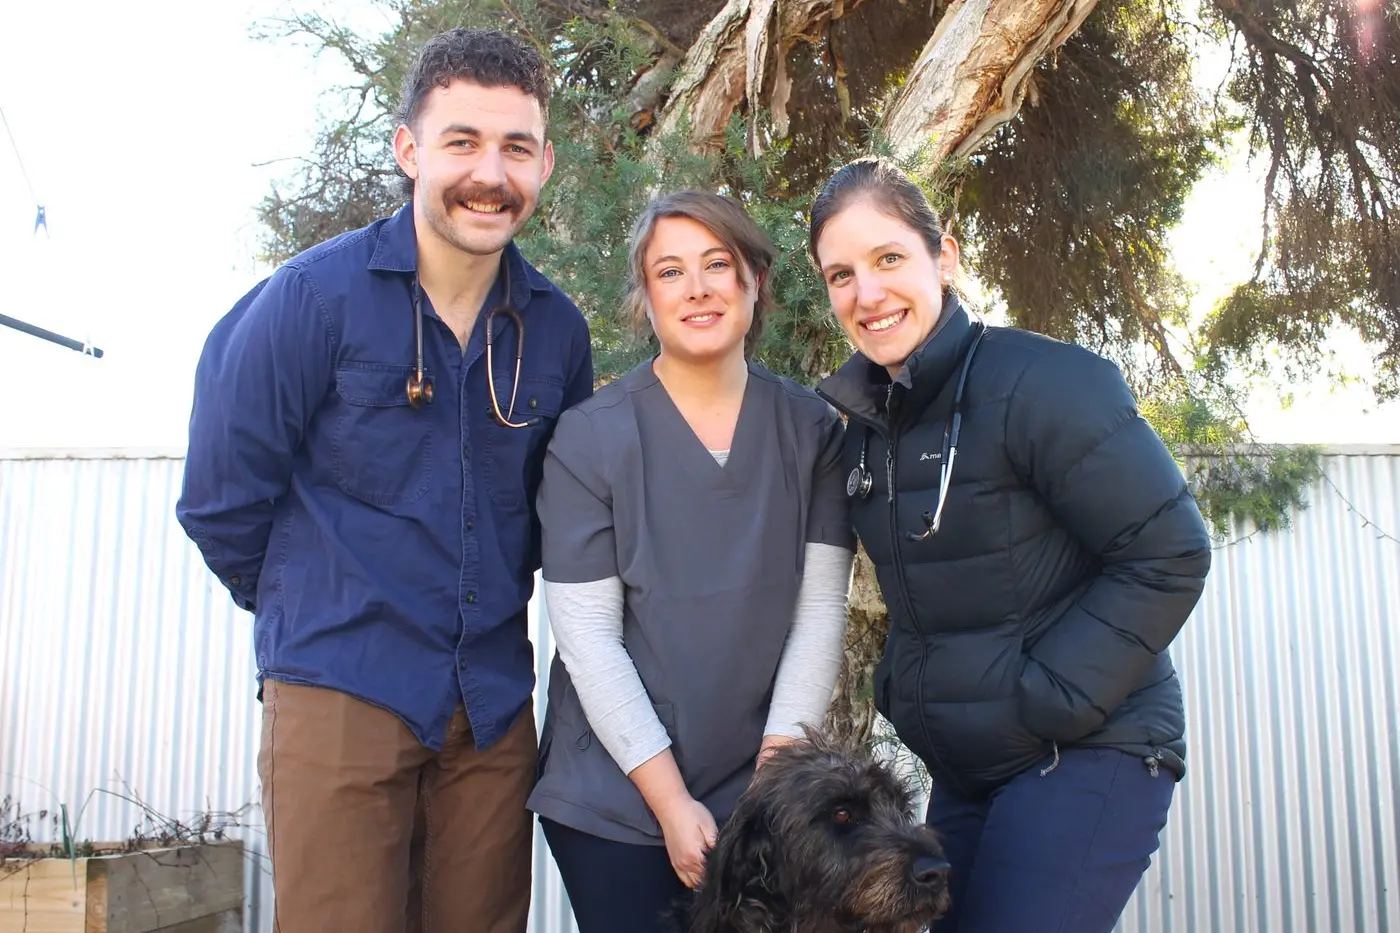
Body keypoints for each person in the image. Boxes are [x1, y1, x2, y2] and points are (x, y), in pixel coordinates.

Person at [175, 27, 593, 933]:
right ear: (409, 150)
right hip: (338, 691)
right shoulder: (312, 299)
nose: (491, 173)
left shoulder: (556, 331)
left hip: (488, 710)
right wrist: (318, 610)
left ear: (545, 163)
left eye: (516, 147)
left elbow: (565, 515)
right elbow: (218, 498)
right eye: (462, 142)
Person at [806, 156, 1213, 933]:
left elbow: (1168, 550)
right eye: (840, 275)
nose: (867, 293)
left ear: (944, 256)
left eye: (889, 258)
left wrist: (1046, 699)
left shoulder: (1045, 383)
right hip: (968, 768)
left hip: (1087, 750)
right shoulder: (862, 428)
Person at [526, 190, 857, 933]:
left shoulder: (812, 431)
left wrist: (771, 792)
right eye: (670, 272)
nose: (698, 287)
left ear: (754, 282)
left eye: (718, 264)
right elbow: (588, 639)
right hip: (616, 790)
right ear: (646, 297)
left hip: (759, 784)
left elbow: (818, 613)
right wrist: (672, 803)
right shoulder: (591, 439)